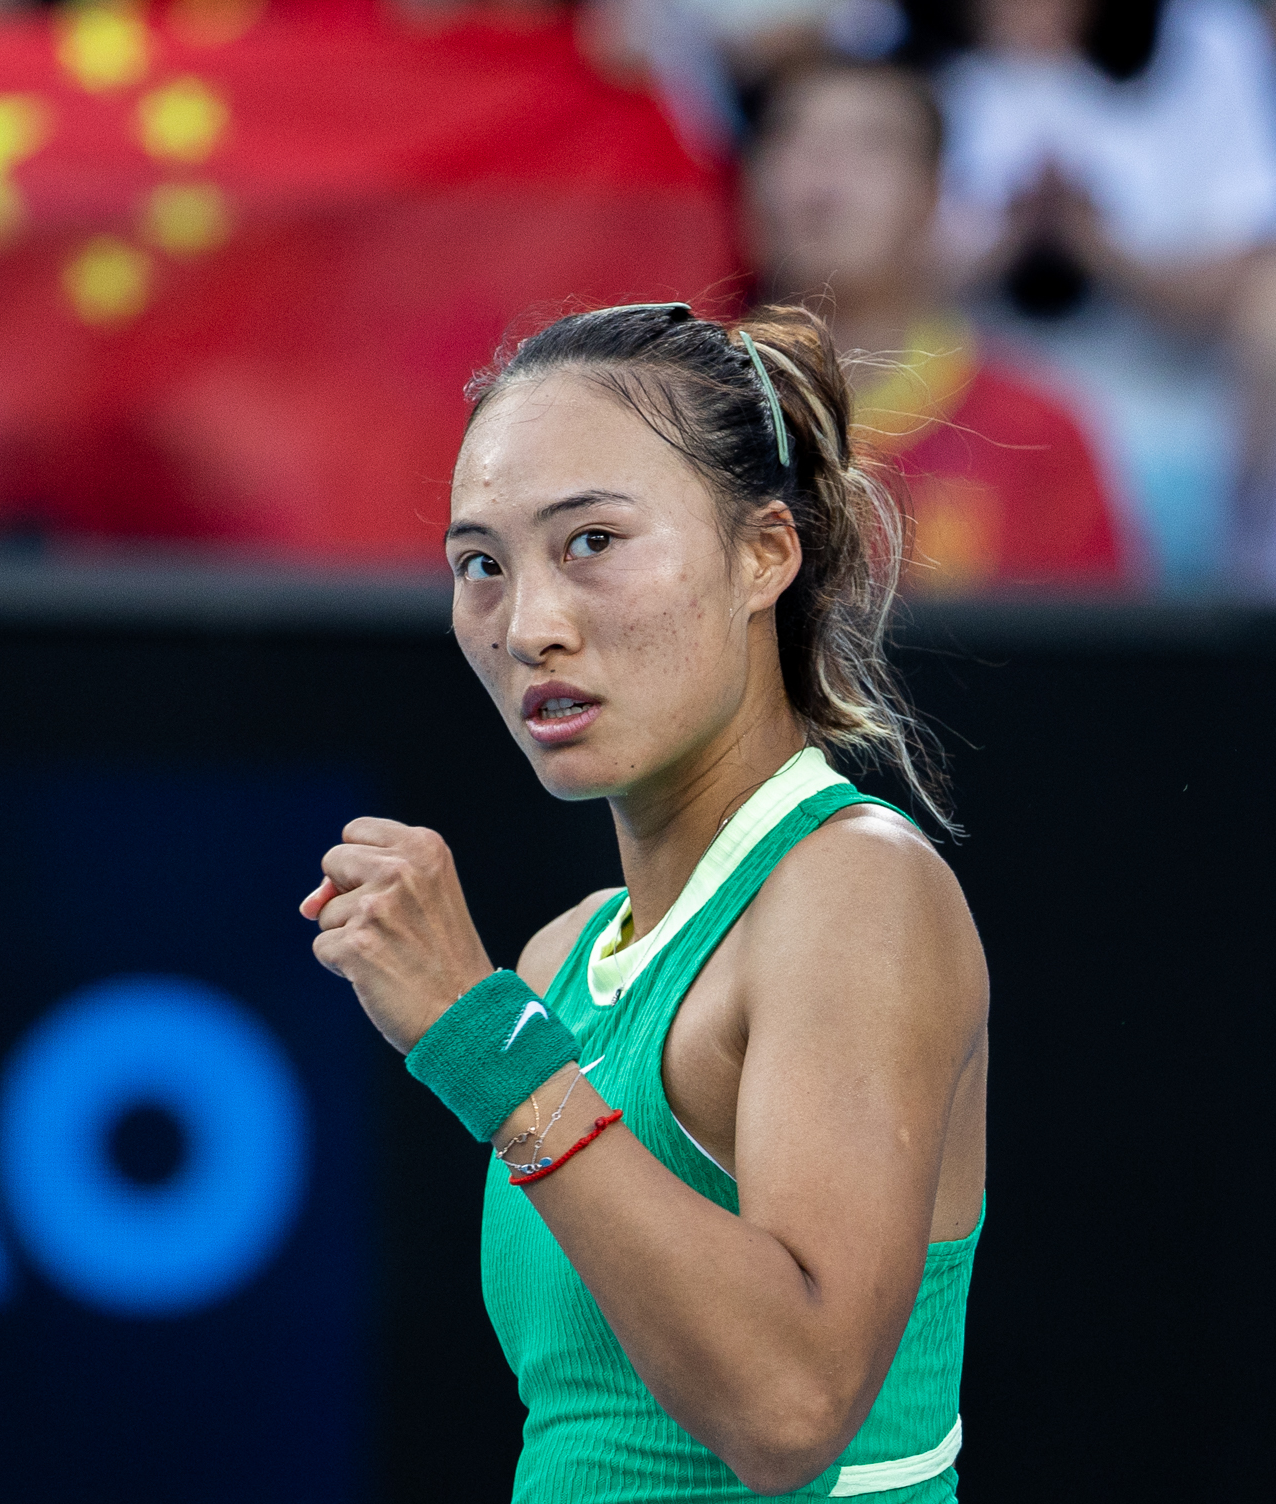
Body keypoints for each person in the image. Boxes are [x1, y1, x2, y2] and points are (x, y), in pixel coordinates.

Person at [302, 302, 985, 1499]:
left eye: (591, 541)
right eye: (480, 565)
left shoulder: (855, 889)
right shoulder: (560, 956)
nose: (530, 626)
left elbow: (789, 1410)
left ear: (763, 553)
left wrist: (480, 1035)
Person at [747, 56, 1128, 591]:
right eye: (793, 139)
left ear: (933, 196)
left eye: (871, 145)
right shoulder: (682, 407)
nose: (823, 176)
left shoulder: (1038, 435)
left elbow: (1092, 639)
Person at [939, 0, 1276, 588]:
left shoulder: (1206, 37)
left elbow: (1248, 258)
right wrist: (1008, 240)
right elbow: (861, 268)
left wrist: (1097, 245)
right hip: (961, 413)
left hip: (1174, 407)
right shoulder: (900, 40)